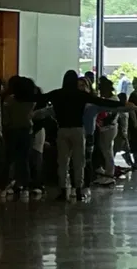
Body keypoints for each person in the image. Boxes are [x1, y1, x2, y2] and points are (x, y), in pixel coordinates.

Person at [49, 70, 122, 201]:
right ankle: (79, 189)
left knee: (65, 162)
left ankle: (65, 189)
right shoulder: (83, 97)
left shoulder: (60, 95)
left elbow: (47, 106)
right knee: (80, 162)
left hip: (65, 130)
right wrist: (124, 104)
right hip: (80, 131)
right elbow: (104, 104)